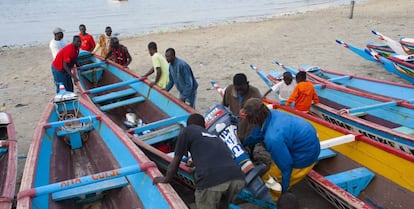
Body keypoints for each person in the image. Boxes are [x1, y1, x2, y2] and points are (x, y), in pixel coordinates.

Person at [153, 113, 245, 209]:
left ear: (189, 125)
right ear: (204, 125)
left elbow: (176, 160)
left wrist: (166, 179)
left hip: (213, 180)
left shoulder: (187, 131)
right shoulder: (214, 137)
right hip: (237, 178)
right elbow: (216, 158)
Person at [241, 98, 320, 199]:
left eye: (247, 117)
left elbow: (286, 168)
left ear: (254, 118)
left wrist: (284, 192)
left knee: (268, 179)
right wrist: (244, 143)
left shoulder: (273, 138)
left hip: (305, 160)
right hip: (309, 144)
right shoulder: (272, 114)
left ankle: (274, 198)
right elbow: (259, 132)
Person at [222, 73, 261, 142]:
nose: (240, 92)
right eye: (238, 90)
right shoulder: (229, 90)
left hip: (249, 125)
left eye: (242, 89)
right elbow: (223, 106)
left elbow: (259, 114)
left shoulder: (255, 93)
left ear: (247, 84)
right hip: (234, 123)